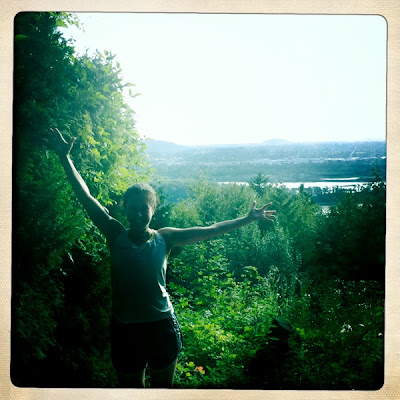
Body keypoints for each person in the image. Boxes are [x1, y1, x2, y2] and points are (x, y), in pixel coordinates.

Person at [49, 128, 276, 388]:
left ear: (153, 209)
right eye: (132, 208)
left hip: (161, 326)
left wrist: (248, 218)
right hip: (124, 329)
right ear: (124, 208)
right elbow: (86, 197)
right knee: (131, 392)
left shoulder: (165, 238)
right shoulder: (114, 234)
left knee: (161, 392)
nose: (137, 214)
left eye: (143, 208)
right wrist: (65, 158)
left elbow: (211, 229)